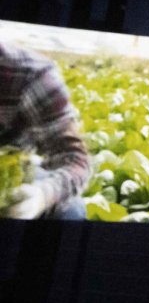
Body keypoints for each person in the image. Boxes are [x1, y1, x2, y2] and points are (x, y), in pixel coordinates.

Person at [0, 40, 91, 220]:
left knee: (71, 212)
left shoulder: (29, 75)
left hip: (6, 178)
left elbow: (75, 160)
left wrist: (41, 197)